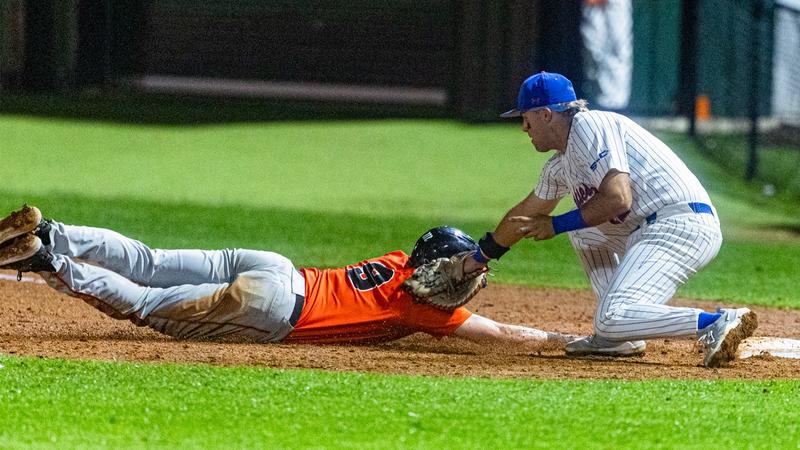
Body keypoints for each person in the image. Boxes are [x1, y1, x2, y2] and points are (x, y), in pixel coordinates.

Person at [463, 71, 757, 368]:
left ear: (546, 114)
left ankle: (717, 321)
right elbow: (524, 214)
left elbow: (618, 198)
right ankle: (620, 338)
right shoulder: (560, 164)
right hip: (650, 229)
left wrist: (554, 224)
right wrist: (478, 257)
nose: (524, 127)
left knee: (610, 317)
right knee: (584, 232)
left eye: (525, 118)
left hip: (679, 224)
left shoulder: (589, 126)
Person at [0, 205, 572, 348]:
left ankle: (55, 231)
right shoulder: (420, 307)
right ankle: (50, 262)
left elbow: (438, 265)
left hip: (274, 266)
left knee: (148, 259)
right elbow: (499, 336)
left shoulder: (400, 260)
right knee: (148, 306)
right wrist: (566, 343)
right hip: (272, 309)